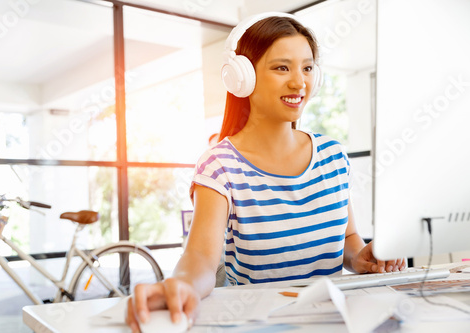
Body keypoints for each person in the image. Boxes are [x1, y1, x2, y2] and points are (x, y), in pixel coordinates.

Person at [126, 12, 405, 331]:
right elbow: (201, 259)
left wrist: (362, 257)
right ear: (242, 77)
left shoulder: (332, 157)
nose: (299, 82)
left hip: (333, 323)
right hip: (259, 325)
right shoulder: (220, 166)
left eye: (307, 67)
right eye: (281, 67)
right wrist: (183, 284)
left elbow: (348, 241)